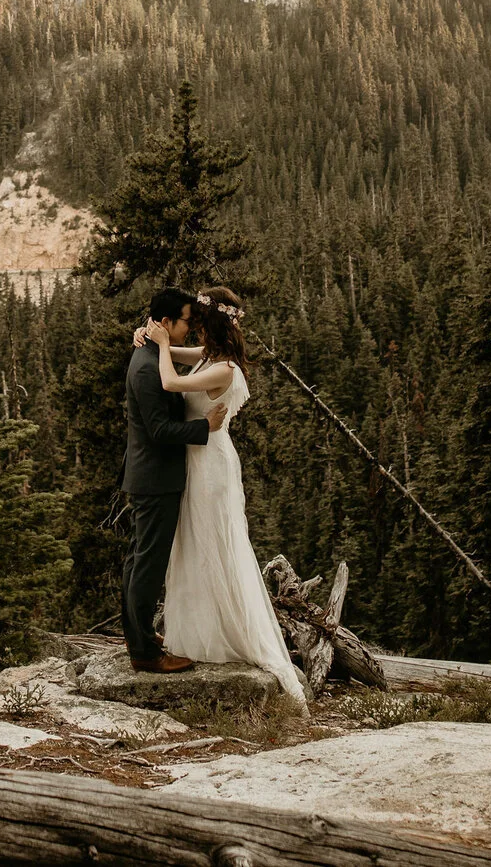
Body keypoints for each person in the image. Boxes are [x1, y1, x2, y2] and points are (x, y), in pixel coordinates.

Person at [134, 285, 308, 705]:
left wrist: (159, 344)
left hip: (210, 465)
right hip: (197, 461)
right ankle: (200, 632)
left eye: (196, 321)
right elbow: (177, 356)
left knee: (214, 545)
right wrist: (145, 336)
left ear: (208, 324)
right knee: (194, 547)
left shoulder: (224, 368)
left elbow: (171, 380)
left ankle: (231, 635)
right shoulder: (209, 357)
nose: (190, 327)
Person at [121, 285, 229, 674]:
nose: (190, 327)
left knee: (139, 561)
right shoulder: (149, 368)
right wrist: (204, 426)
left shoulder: (150, 353)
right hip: (156, 478)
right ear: (166, 323)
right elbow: (160, 431)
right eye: (185, 321)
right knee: (147, 566)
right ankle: (145, 653)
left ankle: (139, 638)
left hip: (151, 475)